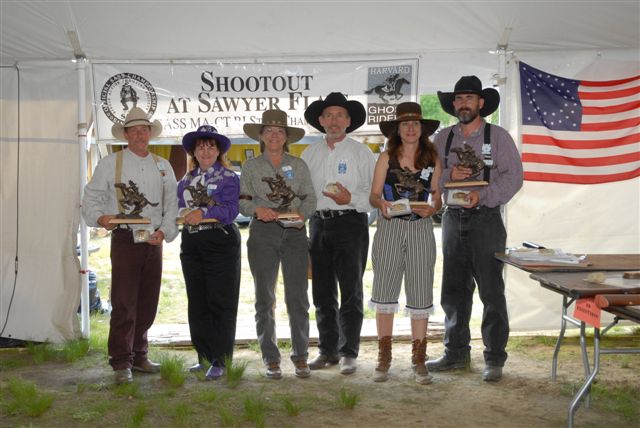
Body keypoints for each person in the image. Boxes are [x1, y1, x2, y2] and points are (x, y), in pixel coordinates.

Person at [427, 75, 523, 382]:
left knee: (492, 291)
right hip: (453, 220)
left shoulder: (498, 136)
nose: (463, 104)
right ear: (453, 104)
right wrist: (449, 178)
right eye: (458, 99)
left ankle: (494, 358)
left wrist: (481, 196)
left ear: (480, 103)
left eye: (469, 98)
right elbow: (433, 180)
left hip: (486, 219)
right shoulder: (443, 138)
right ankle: (455, 354)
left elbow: (514, 178)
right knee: (453, 291)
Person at [82, 107, 178, 384]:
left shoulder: (163, 165)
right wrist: (101, 217)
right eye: (134, 130)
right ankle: (121, 361)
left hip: (153, 240)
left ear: (150, 133)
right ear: (125, 134)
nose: (140, 134)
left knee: (148, 300)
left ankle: (139, 353)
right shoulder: (110, 163)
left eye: (144, 129)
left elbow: (172, 204)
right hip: (125, 239)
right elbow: (91, 198)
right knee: (124, 301)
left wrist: (164, 231)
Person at [301, 92, 376, 375]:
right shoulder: (310, 153)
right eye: (328, 115)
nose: (334, 121)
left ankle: (349, 352)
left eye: (340, 115)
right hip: (318, 224)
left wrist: (351, 200)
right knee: (321, 291)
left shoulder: (361, 152)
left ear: (348, 121)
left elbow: (373, 194)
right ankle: (327, 350)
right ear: (320, 121)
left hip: (351, 224)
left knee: (351, 289)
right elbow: (303, 194)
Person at [239, 110, 316, 379]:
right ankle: (271, 357)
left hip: (295, 234)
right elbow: (243, 201)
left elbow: (310, 200)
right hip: (263, 233)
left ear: (286, 137)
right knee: (264, 297)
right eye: (269, 131)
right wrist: (257, 209)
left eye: (279, 131)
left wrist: (300, 216)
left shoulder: (299, 165)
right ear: (261, 136)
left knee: (297, 298)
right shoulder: (250, 167)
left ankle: (301, 355)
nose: (274, 135)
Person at [368, 102, 442, 384]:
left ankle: (419, 358)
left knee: (421, 289)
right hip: (389, 227)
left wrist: (433, 208)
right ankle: (384, 357)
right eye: (405, 124)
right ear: (397, 130)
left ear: (421, 129)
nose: (410, 129)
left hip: (421, 227)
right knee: (385, 289)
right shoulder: (386, 157)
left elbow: (436, 195)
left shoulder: (433, 158)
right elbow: (374, 196)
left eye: (415, 124)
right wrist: (382, 204)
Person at [177, 125, 241, 380]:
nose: (205, 150)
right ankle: (203, 356)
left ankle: (221, 359)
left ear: (219, 151)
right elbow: (179, 209)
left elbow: (231, 210)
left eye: (210, 146)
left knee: (221, 301)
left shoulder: (229, 178)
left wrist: (203, 213)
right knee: (198, 301)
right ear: (194, 150)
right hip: (191, 243)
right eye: (201, 146)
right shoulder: (184, 180)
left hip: (220, 241)